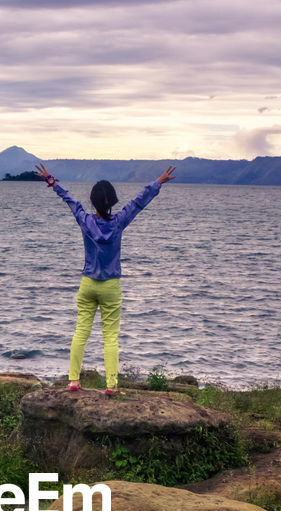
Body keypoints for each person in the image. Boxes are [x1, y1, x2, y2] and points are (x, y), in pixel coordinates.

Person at [36, 161, 176, 394]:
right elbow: (138, 203)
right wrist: (157, 182)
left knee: (81, 331)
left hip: (88, 283)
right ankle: (111, 385)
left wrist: (50, 180)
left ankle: (73, 381)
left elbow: (69, 199)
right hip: (111, 286)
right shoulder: (119, 222)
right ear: (112, 201)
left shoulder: (85, 220)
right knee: (110, 337)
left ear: (92, 201)